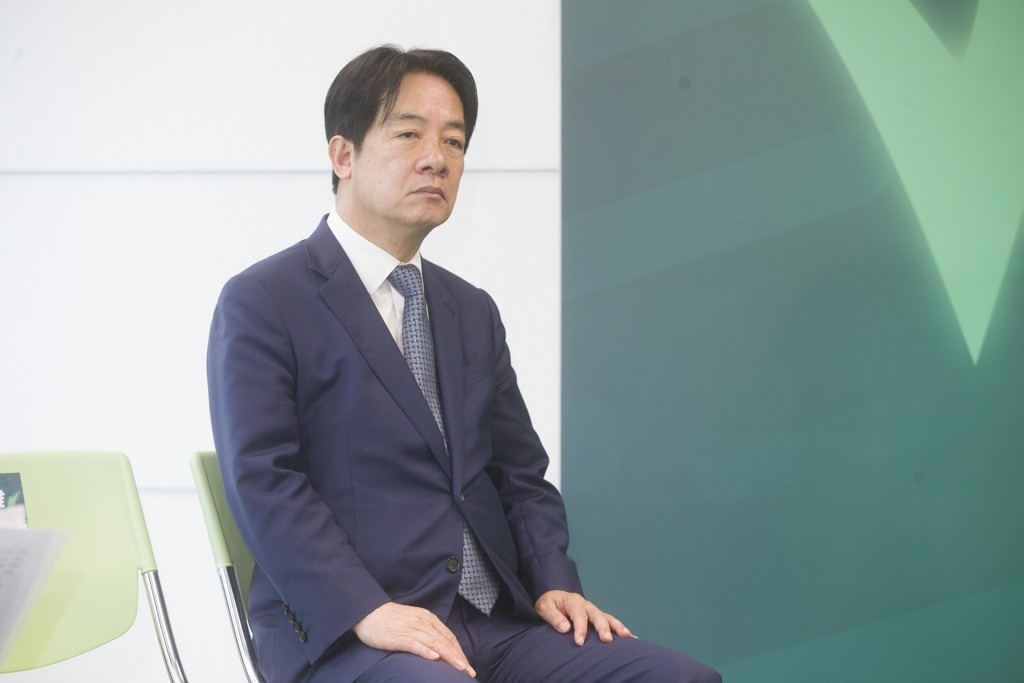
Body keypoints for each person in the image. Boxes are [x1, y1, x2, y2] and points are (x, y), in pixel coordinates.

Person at [207, 45, 721, 683]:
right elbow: (263, 480)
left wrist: (553, 580)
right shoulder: (264, 300)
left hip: (496, 624)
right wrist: (363, 608)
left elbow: (518, 473)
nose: (437, 158)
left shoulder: (470, 309)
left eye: (454, 142)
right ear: (343, 156)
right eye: (409, 134)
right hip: (357, 635)